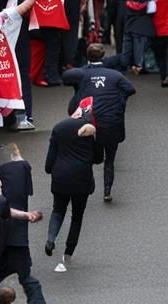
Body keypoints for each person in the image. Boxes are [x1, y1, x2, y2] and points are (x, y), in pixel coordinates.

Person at [62, 43, 135, 202]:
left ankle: (87, 186)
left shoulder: (81, 74)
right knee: (110, 159)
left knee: (86, 157)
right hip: (111, 122)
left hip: (88, 121)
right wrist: (119, 102)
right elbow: (130, 89)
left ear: (87, 57)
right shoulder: (115, 75)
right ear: (103, 57)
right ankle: (107, 191)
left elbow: (66, 77)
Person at [44, 104, 101, 272]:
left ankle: (51, 239)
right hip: (81, 180)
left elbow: (49, 161)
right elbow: (98, 158)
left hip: (60, 178)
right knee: (77, 216)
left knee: (58, 210)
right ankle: (68, 252)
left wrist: (51, 169)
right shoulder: (90, 131)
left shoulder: (59, 128)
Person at [0, 144, 46, 304]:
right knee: (26, 278)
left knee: (2, 277)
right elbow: (23, 165)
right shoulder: (21, 177)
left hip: (2, 242)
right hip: (19, 240)